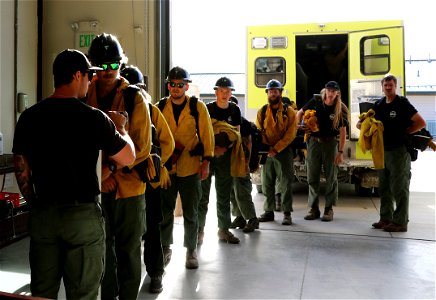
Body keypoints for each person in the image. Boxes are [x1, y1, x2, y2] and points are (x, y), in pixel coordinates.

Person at [12, 49, 136, 299]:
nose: (91, 81)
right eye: (89, 75)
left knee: (42, 293)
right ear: (77, 75)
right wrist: (121, 128)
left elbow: (20, 166)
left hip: (43, 214)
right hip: (82, 218)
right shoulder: (94, 118)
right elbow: (128, 158)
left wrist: (35, 203)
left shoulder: (29, 117)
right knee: (84, 294)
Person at [86, 33, 152, 300]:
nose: (107, 71)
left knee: (128, 250)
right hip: (96, 188)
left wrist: (110, 170)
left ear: (121, 64)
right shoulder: (83, 95)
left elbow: (143, 147)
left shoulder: (134, 98)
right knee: (101, 250)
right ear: (92, 66)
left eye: (113, 65)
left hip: (129, 189)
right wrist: (99, 175)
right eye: (101, 66)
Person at [120, 65, 175, 293]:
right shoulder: (116, 111)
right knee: (126, 235)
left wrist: (155, 164)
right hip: (125, 184)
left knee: (152, 231)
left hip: (148, 182)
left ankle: (156, 274)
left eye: (139, 87)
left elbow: (168, 143)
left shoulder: (152, 111)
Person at [159, 66, 214, 269]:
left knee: (191, 211)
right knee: (165, 211)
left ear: (186, 86)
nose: (176, 88)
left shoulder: (196, 107)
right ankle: (165, 247)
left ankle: (191, 250)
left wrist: (206, 162)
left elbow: (207, 135)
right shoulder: (160, 106)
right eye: (172, 84)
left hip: (190, 167)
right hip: (168, 168)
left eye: (180, 84)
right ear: (168, 85)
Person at [357, 74, 426, 232]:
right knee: (385, 187)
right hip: (382, 151)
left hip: (399, 151)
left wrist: (406, 132)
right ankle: (385, 218)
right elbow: (364, 121)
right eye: (385, 85)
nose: (388, 88)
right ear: (382, 87)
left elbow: (420, 122)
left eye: (391, 85)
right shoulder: (379, 104)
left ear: (395, 87)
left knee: (399, 187)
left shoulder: (402, 103)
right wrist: (361, 124)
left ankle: (400, 221)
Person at [199, 78, 246, 244]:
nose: (224, 94)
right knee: (202, 196)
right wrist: (213, 150)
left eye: (227, 91)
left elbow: (236, 134)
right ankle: (199, 231)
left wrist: (224, 148)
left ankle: (224, 230)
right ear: (216, 92)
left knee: (224, 195)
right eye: (221, 91)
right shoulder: (207, 109)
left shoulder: (234, 110)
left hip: (226, 157)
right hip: (207, 157)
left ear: (231, 93)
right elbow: (202, 133)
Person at [296, 81, 349, 222]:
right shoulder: (316, 101)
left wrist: (341, 152)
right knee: (312, 176)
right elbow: (300, 112)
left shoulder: (340, 108)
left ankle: (328, 209)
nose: (330, 93)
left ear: (337, 93)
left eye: (333, 91)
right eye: (329, 90)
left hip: (330, 144)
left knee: (331, 177)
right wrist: (298, 125)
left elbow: (343, 132)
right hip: (314, 142)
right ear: (325, 90)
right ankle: (314, 209)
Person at [256, 79, 297, 225]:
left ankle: (287, 213)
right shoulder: (261, 111)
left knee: (285, 183)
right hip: (267, 152)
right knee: (267, 183)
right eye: (270, 91)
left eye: (275, 91)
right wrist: (267, 148)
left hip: (283, 151)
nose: (273, 93)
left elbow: (291, 133)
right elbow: (259, 131)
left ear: (280, 93)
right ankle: (268, 212)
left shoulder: (289, 112)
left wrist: (276, 148)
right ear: (267, 93)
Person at [228, 96, 260, 233]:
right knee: (232, 193)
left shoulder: (244, 123)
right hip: (228, 163)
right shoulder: (222, 121)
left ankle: (252, 219)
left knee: (242, 192)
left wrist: (246, 163)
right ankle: (239, 217)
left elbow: (248, 144)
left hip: (240, 162)